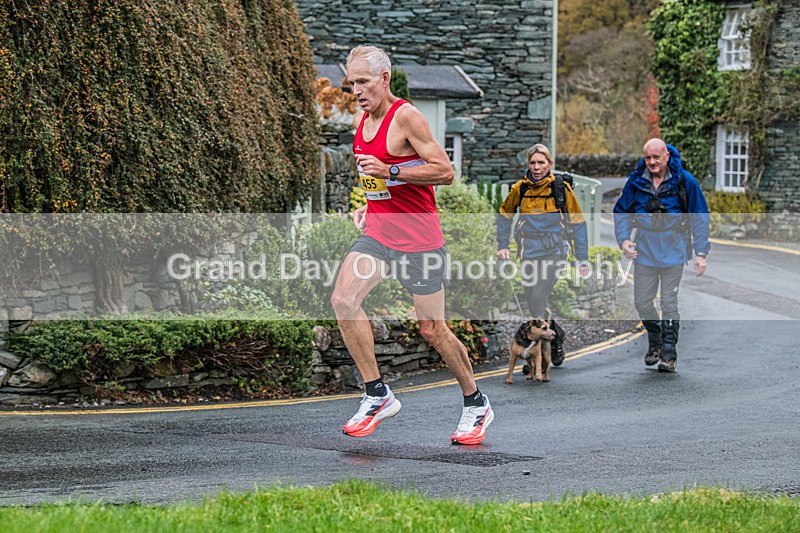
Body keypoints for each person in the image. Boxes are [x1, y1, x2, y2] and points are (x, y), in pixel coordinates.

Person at [330, 45, 493, 445]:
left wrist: (392, 169)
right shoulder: (361, 118)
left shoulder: (407, 116)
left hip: (420, 241)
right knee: (343, 300)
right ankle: (376, 394)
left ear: (384, 79)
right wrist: (367, 206)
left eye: (364, 82)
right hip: (381, 233)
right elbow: (373, 178)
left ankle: (476, 403)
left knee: (432, 329)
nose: (357, 91)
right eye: (352, 83)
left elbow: (445, 170)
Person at [613, 138, 710, 373]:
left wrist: (700, 253)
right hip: (644, 251)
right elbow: (621, 211)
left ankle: (669, 353)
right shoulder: (636, 182)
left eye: (656, 157)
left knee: (668, 302)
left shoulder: (685, 182)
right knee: (642, 302)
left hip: (673, 251)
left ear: (667, 155)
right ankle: (655, 342)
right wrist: (624, 240)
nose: (652, 162)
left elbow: (699, 216)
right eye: (648, 158)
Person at [496, 144, 589, 367]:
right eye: (533, 163)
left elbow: (578, 223)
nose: (537, 167)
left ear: (550, 164)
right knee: (533, 302)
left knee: (539, 298)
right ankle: (556, 335)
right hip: (529, 251)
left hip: (555, 251)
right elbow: (504, 215)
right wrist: (503, 245)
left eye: (541, 163)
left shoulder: (561, 189)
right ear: (528, 165)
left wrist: (582, 258)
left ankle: (536, 359)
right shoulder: (521, 188)